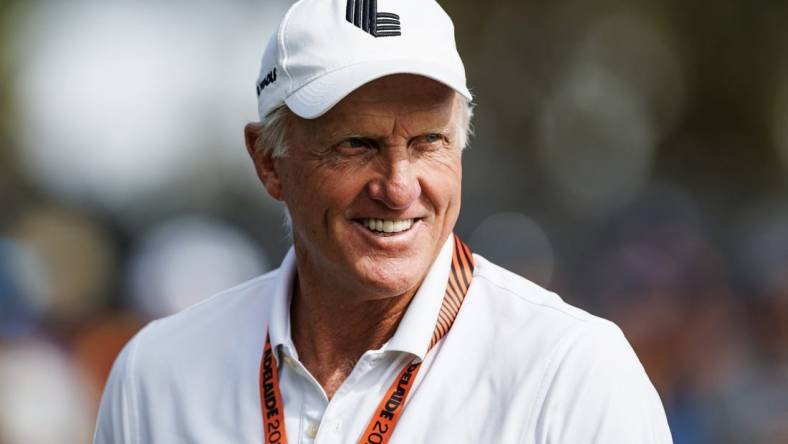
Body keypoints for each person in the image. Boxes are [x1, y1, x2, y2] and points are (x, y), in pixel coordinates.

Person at [94, 0, 672, 443]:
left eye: (429, 142)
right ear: (270, 163)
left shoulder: (571, 371)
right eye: (356, 143)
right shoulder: (156, 375)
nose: (398, 187)